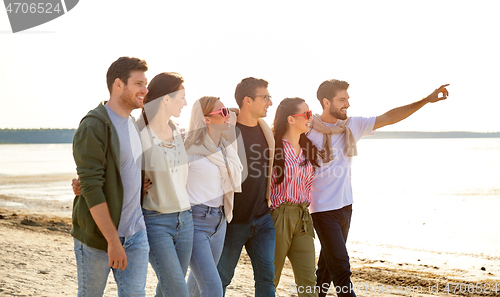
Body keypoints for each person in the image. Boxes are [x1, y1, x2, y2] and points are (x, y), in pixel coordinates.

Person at [307, 79, 450, 297]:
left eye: (348, 99)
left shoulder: (352, 126)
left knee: (327, 268)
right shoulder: (307, 130)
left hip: (345, 207)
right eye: (342, 99)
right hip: (321, 210)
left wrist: (426, 100)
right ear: (326, 102)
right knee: (342, 269)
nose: (347, 104)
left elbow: (390, 117)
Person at [71, 56, 150, 297]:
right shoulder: (93, 125)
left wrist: (140, 184)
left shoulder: (133, 124)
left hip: (136, 233)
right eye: (138, 83)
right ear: (118, 85)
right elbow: (92, 188)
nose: (145, 90)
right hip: (99, 238)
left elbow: (124, 169)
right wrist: (113, 241)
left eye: (145, 84)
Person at [216, 77, 276, 297]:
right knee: (221, 278)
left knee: (267, 279)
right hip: (234, 221)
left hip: (263, 218)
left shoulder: (266, 131)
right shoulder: (225, 130)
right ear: (247, 100)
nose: (270, 102)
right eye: (265, 97)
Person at [138, 72, 193, 297]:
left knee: (167, 290)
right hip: (156, 221)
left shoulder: (176, 131)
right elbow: (113, 165)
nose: (185, 102)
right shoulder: (139, 131)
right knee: (178, 291)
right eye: (181, 97)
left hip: (185, 220)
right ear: (166, 99)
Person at [184, 96, 243, 297]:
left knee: (196, 285)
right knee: (213, 288)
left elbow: (234, 115)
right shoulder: (188, 149)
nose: (228, 116)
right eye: (223, 112)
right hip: (195, 222)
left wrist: (227, 111)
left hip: (220, 221)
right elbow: (170, 184)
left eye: (228, 111)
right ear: (206, 119)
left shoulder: (225, 148)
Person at [270, 98, 321, 296]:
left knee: (309, 281)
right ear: (291, 119)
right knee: (271, 278)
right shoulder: (272, 148)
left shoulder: (307, 147)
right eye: (307, 115)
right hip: (278, 217)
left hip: (303, 217)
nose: (311, 118)